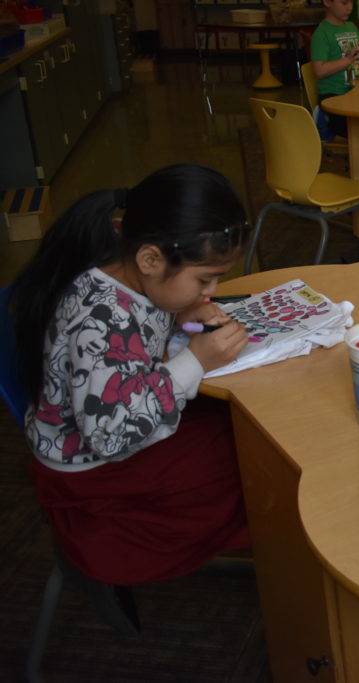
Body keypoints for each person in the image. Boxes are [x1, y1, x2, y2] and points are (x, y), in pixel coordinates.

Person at [7, 163, 252, 589]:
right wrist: (195, 360)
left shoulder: (130, 274)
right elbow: (109, 434)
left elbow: (140, 340)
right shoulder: (100, 317)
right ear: (151, 258)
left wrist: (187, 321)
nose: (210, 291)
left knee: (243, 431)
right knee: (250, 463)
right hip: (91, 472)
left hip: (111, 427)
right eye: (204, 279)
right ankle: (275, 542)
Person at [311, 0, 359, 139]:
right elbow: (319, 71)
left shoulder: (352, 27)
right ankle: (324, 118)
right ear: (327, 2)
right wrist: (347, 60)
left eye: (351, 3)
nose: (350, 8)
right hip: (334, 95)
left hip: (356, 91)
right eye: (344, 3)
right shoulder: (321, 33)